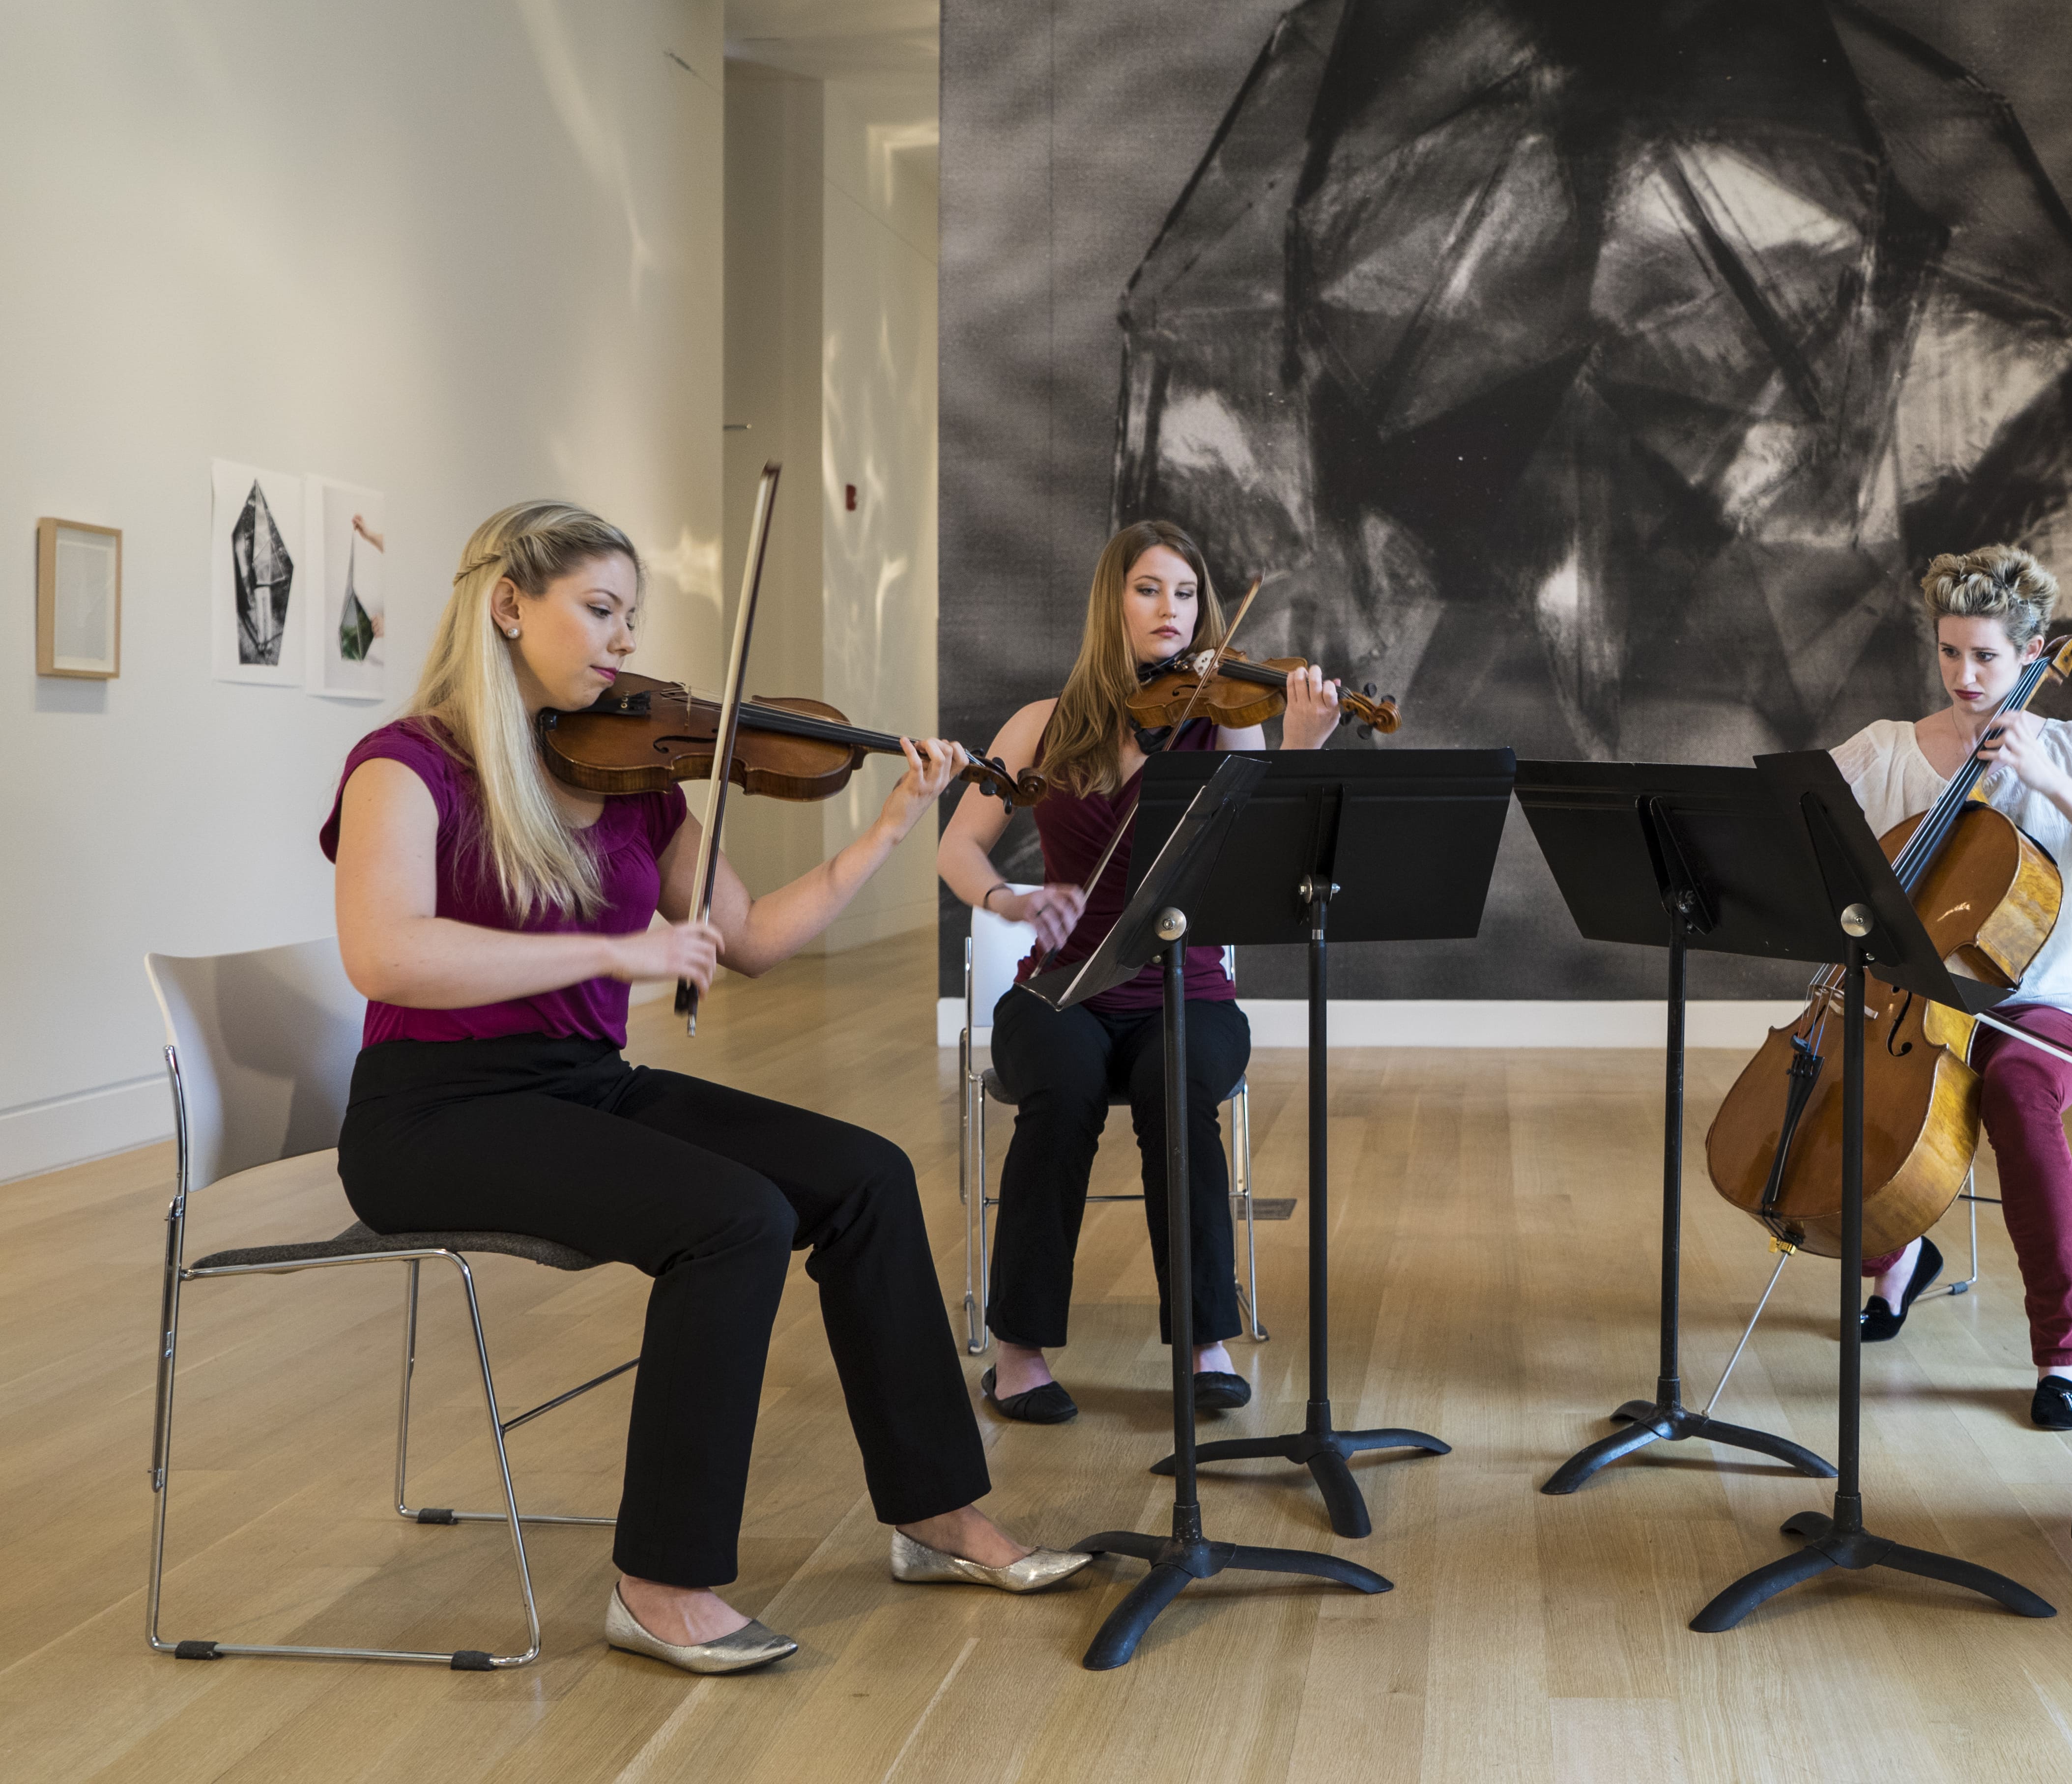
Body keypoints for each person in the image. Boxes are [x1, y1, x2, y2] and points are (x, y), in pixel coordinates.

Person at [327, 501, 1089, 1677]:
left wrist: (892, 826)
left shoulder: (635, 780)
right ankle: (662, 1580)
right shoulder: (407, 762)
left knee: (867, 1176)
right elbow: (387, 952)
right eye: (599, 610)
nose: (623, 641)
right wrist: (609, 952)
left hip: (580, 1082)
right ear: (508, 603)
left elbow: (753, 935)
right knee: (736, 1219)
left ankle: (937, 1514)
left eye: (633, 617)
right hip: (432, 1111)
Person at [937, 520, 1344, 1425]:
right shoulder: (1041, 725)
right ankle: (1018, 1353)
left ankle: (1204, 1342)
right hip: (1062, 990)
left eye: (1188, 594)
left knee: (1178, 1090)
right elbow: (960, 847)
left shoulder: (1226, 724)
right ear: (1111, 603)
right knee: (1063, 1092)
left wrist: (1302, 746)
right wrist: (1010, 900)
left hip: (1186, 988)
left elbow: (1268, 862)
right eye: (1150, 590)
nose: (1173, 611)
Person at [1827, 547, 2072, 1429]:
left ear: (2032, 656)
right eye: (1950, 652)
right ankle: (1899, 1261)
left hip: (2045, 1012)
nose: (1964, 674)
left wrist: (2050, 781)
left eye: (1986, 656)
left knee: (2020, 1102)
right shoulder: (1887, 752)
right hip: (1921, 1003)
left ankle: (2067, 1355)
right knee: (1875, 1094)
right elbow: (1804, 837)